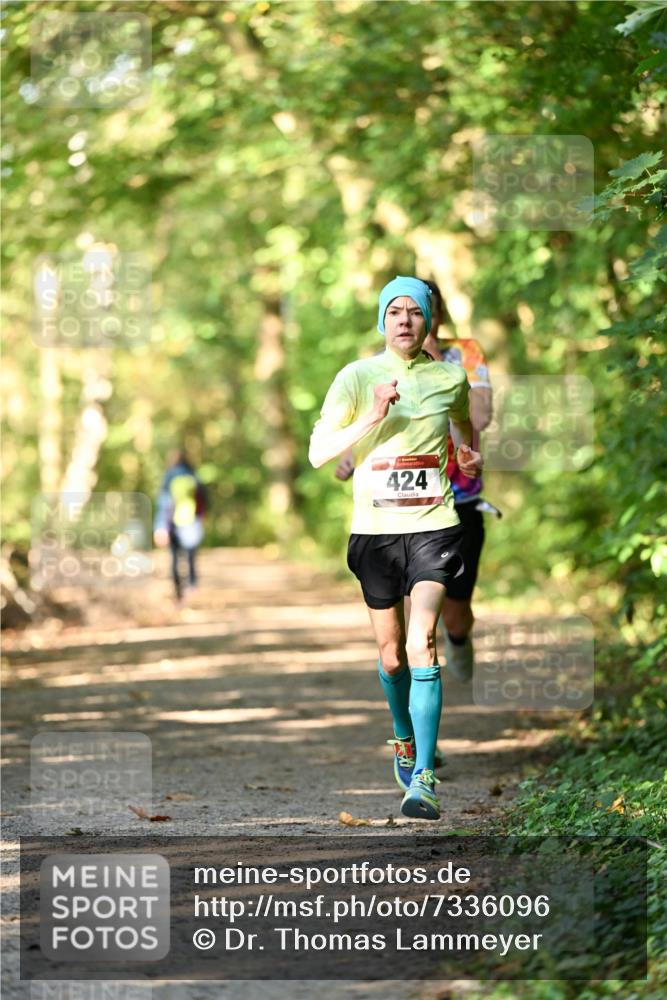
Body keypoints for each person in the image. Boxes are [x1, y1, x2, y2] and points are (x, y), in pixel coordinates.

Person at [309, 276, 482, 821]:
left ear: (428, 320)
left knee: (421, 640)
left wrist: (467, 455)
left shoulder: (451, 376)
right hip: (375, 532)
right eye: (394, 311)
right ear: (382, 320)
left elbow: (464, 427)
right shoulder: (356, 376)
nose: (404, 319)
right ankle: (403, 737)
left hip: (435, 525)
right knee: (390, 655)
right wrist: (371, 416)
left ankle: (424, 777)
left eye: (414, 311)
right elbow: (318, 452)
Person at [336, 279, 496, 683]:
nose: (409, 319)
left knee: (456, 613)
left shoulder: (465, 354)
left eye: (423, 310)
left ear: (435, 314)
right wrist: (348, 457)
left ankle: (457, 639)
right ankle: (420, 669)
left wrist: (435, 362)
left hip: (458, 500)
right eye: (398, 311)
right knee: (412, 624)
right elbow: (367, 422)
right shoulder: (379, 363)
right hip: (399, 509)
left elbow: (478, 419)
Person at [153, 450, 208, 602]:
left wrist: (160, 527)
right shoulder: (194, 475)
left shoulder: (169, 476)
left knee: (174, 558)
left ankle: (178, 593)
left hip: (172, 523)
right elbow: (204, 499)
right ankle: (192, 586)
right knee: (191, 557)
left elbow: (164, 503)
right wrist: (202, 518)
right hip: (192, 522)